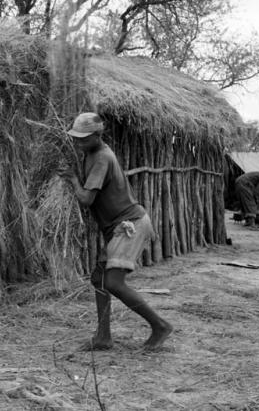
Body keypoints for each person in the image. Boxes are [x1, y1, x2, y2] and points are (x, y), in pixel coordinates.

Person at [58, 112, 173, 351]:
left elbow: (87, 198)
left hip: (129, 225)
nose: (78, 142)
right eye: (76, 138)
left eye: (83, 138)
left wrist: (72, 179)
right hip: (115, 227)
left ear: (98, 135)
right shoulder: (90, 153)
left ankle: (160, 326)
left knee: (112, 281)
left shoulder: (102, 157)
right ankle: (103, 338)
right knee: (98, 279)